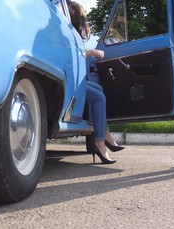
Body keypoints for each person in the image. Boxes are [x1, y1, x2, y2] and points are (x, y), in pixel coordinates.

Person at [67, 1, 125, 164]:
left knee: (98, 89)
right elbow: (72, 56)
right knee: (98, 98)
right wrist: (92, 52)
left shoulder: (68, 33)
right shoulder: (68, 34)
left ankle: (103, 134)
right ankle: (99, 142)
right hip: (69, 83)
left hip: (71, 80)